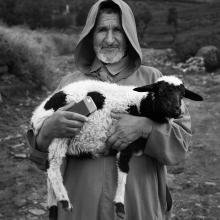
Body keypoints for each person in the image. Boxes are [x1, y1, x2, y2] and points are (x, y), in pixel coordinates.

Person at [27, 0, 192, 220]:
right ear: (90, 35)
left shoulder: (155, 80)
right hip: (79, 208)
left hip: (139, 206)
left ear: (130, 35)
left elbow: (181, 146)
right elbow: (39, 158)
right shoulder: (70, 84)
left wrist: (146, 127)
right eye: (102, 30)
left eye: (118, 30)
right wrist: (47, 131)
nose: (110, 39)